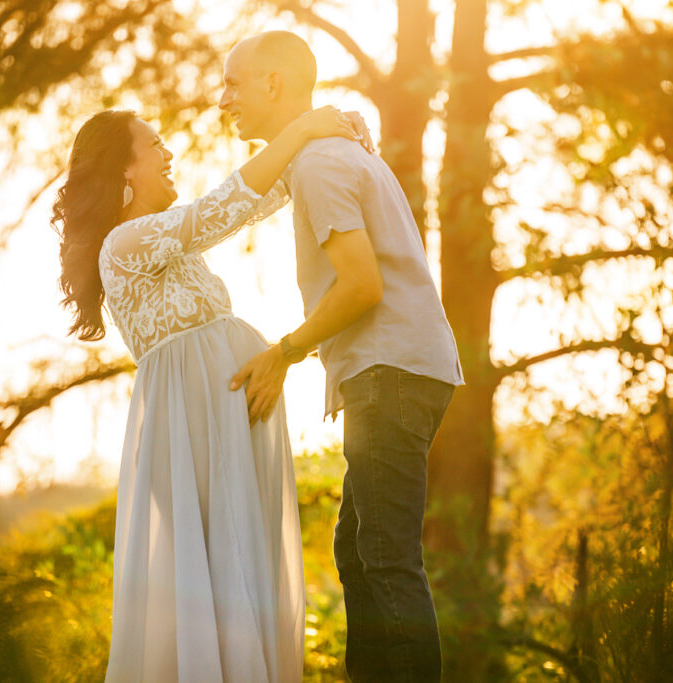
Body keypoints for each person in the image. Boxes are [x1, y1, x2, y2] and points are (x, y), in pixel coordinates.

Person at [53, 105, 366, 682]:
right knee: (217, 573)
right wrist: (298, 127)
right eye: (155, 144)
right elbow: (218, 210)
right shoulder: (123, 246)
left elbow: (255, 201)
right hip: (192, 424)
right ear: (124, 171)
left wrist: (328, 143)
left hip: (229, 423)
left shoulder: (169, 246)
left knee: (242, 567)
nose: (170, 154)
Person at [221, 32, 465, 683]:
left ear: (273, 83)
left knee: (386, 560)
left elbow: (362, 284)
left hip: (388, 373)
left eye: (234, 83)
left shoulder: (321, 165)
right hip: (401, 369)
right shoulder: (327, 152)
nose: (225, 101)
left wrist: (285, 351)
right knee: (358, 552)